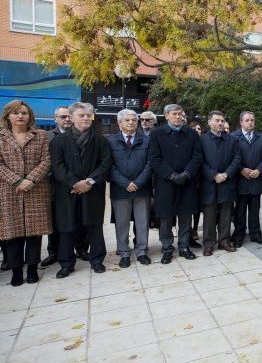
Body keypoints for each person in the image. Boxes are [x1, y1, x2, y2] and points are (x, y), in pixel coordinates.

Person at [50, 102, 112, 277]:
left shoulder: (100, 140)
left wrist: (89, 182)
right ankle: (67, 263)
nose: (86, 118)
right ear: (71, 117)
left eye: (88, 115)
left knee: (94, 226)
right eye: (81, 115)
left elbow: (106, 164)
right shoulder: (58, 141)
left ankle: (97, 260)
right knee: (67, 227)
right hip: (67, 191)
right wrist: (75, 183)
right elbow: (57, 166)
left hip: (92, 190)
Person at [0, 100, 52, 285]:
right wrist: (17, 180)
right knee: (12, 233)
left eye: (24, 113)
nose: (20, 116)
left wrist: (31, 179)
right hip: (9, 190)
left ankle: (31, 268)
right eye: (16, 113)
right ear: (8, 116)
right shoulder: (1, 137)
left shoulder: (40, 135)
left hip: (35, 189)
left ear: (30, 116)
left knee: (34, 233)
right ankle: (15, 271)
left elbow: (46, 160)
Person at [149, 103, 202, 264]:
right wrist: (171, 175)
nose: (178, 116)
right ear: (166, 116)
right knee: (165, 218)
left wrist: (186, 173)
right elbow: (154, 158)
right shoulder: (157, 134)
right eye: (174, 114)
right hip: (166, 182)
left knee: (185, 216)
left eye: (180, 113)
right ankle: (167, 248)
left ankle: (184, 246)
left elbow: (197, 157)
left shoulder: (192, 134)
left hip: (187, 181)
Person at [107, 109, 152, 268]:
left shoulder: (146, 141)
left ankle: (142, 251)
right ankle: (124, 252)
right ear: (119, 123)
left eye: (134, 120)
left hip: (142, 188)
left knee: (142, 222)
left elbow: (150, 164)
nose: (131, 122)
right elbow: (109, 166)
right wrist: (125, 183)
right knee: (122, 223)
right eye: (127, 120)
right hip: (120, 190)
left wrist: (138, 182)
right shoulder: (110, 141)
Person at [199, 111, 242, 255]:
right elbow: (200, 161)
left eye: (222, 121)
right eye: (217, 120)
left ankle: (224, 240)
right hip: (209, 182)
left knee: (226, 213)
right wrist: (213, 175)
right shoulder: (202, 140)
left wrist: (226, 174)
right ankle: (209, 243)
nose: (220, 123)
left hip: (227, 182)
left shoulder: (232, 140)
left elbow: (237, 159)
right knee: (209, 214)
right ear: (209, 122)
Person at [41, 106, 73, 268]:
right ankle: (53, 252)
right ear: (55, 119)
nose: (66, 119)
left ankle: (79, 249)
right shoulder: (47, 136)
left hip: (75, 185)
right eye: (63, 117)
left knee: (77, 219)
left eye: (69, 116)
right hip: (54, 186)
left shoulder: (78, 135)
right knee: (54, 221)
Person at [231, 111, 262, 247]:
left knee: (254, 209)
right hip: (240, 181)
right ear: (241, 122)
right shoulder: (233, 137)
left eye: (252, 120)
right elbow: (231, 157)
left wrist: (259, 170)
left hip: (256, 179)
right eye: (247, 120)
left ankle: (255, 234)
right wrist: (241, 169)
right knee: (239, 211)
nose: (250, 122)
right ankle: (239, 234)